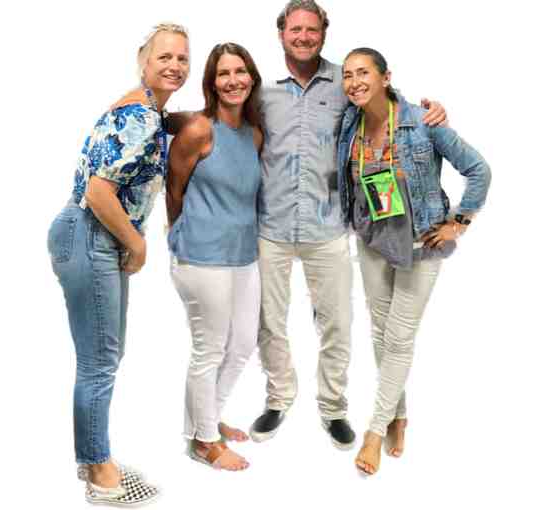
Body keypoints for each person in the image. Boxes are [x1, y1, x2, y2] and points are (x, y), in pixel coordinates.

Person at [249, 0, 447, 450]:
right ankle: (277, 400)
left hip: (330, 227)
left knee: (336, 324)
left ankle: (333, 408)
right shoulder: (262, 91)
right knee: (270, 323)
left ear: (323, 34)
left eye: (312, 30)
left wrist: (431, 111)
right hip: (272, 228)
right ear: (281, 33)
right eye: (295, 29)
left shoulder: (345, 82)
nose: (303, 37)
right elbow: (222, 116)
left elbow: (388, 105)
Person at [47, 23, 190, 505]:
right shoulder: (141, 118)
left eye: (182, 59)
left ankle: (95, 457)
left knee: (103, 357)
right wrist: (138, 244)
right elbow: (98, 192)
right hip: (91, 233)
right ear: (143, 63)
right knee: (99, 361)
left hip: (89, 236)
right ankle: (99, 473)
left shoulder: (146, 110)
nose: (175, 66)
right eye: (164, 57)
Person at [337, 47, 491, 475]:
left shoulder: (424, 122)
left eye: (363, 72)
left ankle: (374, 431)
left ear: (386, 77)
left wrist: (459, 221)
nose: (354, 82)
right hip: (372, 239)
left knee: (400, 337)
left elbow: (479, 170)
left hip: (422, 241)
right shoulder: (349, 123)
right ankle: (397, 415)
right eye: (347, 75)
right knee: (380, 331)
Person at [166, 42, 263, 471]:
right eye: (223, 73)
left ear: (252, 78)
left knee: (242, 344)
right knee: (210, 349)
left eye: (240, 71)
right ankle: (205, 442)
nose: (233, 80)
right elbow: (174, 190)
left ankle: (206, 422)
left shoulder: (254, 134)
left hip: (243, 255)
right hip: (201, 255)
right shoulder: (198, 131)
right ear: (212, 82)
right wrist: (178, 233)